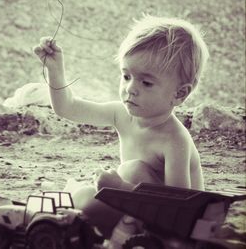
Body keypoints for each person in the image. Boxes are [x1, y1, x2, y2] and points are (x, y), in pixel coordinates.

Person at [33, 15, 209, 248]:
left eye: (146, 83)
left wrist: (122, 188)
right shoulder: (121, 114)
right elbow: (68, 108)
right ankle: (103, 231)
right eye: (126, 76)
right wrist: (56, 70)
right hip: (139, 210)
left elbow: (178, 205)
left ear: (179, 94)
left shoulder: (174, 140)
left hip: (177, 229)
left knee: (131, 169)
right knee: (82, 198)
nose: (130, 89)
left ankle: (120, 233)